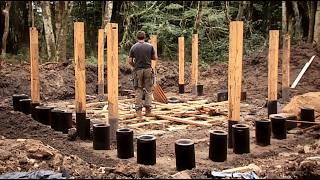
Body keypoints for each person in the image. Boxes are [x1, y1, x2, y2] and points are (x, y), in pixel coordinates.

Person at [128, 31, 157, 117]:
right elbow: (155, 58)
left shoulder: (133, 47)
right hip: (148, 69)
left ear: (137, 37)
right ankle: (148, 111)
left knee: (138, 90)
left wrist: (135, 66)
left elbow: (130, 61)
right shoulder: (150, 46)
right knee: (148, 90)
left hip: (138, 71)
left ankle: (138, 112)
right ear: (144, 37)